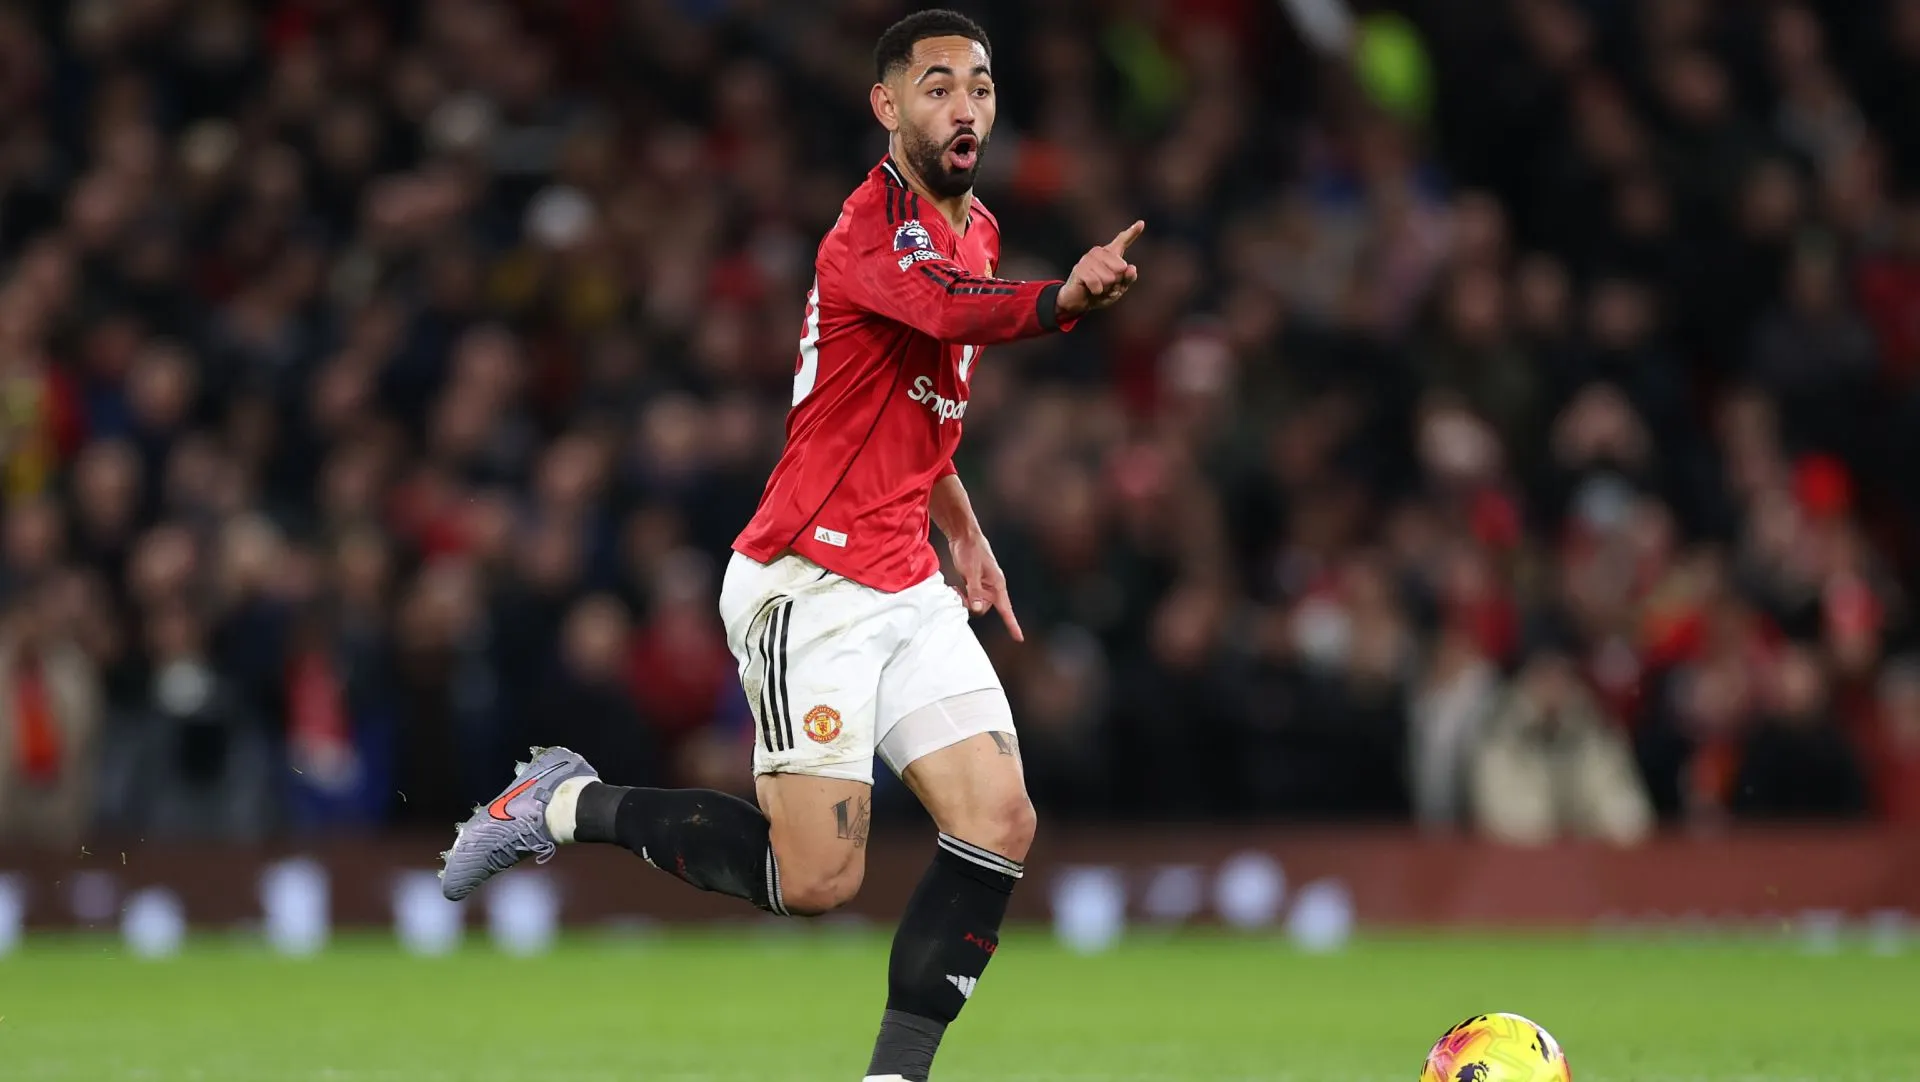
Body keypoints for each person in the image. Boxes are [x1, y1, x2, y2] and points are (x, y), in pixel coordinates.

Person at [437, 10, 1143, 1081]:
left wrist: (964, 530)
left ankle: (893, 1077)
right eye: (939, 87)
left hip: (906, 575)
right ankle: (563, 802)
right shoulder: (872, 229)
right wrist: (1064, 300)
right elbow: (951, 312)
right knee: (815, 880)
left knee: (999, 816)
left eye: (981, 87)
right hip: (808, 579)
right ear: (888, 106)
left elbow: (923, 410)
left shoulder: (979, 230)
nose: (965, 107)